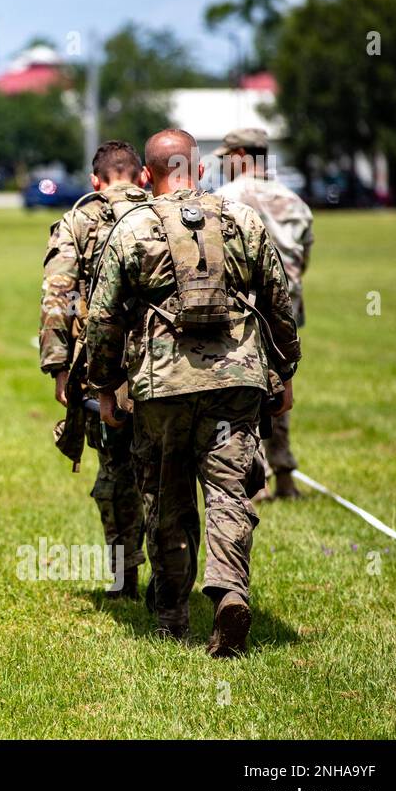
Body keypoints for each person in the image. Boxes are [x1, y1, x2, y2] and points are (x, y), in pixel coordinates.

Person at [86, 129, 300, 657]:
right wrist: (285, 372)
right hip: (236, 380)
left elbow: (104, 317)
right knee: (230, 491)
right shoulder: (243, 220)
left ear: (145, 176)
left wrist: (106, 386)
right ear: (200, 170)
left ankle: (172, 616)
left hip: (162, 387)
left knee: (167, 495)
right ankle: (229, 591)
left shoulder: (132, 226)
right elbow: (279, 301)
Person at [39, 140, 151, 598]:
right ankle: (172, 581)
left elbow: (58, 297)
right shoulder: (166, 210)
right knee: (165, 473)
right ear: (143, 176)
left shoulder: (77, 220)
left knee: (116, 472)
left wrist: (59, 367)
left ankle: (124, 577)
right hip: (167, 364)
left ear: (95, 180)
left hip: (107, 369)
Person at [213, 127, 314, 499]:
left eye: (226, 158)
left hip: (246, 306)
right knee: (281, 384)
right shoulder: (293, 199)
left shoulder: (225, 199)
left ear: (240, 154)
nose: (223, 165)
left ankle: (257, 480)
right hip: (287, 305)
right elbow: (304, 257)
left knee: (245, 391)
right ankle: (285, 473)